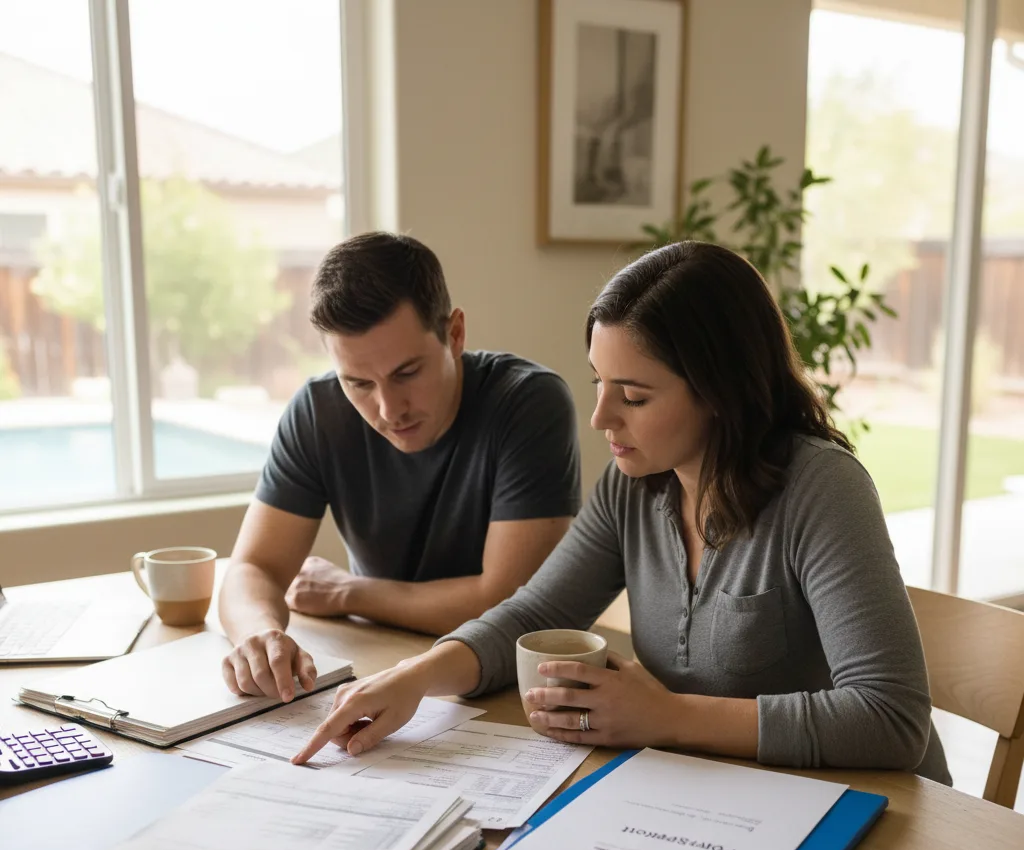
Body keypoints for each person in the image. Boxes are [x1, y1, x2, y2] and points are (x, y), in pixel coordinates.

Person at [291, 240, 951, 786]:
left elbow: (890, 719)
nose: (602, 417)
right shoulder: (637, 484)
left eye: (633, 395)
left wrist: (666, 717)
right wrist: (414, 679)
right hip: (724, 794)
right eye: (599, 384)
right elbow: (536, 612)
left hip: (876, 817)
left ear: (719, 391)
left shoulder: (822, 490)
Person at [219, 232, 581, 700]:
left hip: (502, 681)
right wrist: (259, 634)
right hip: (379, 659)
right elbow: (254, 567)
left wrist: (351, 592)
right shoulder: (318, 411)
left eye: (406, 373)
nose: (389, 409)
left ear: (454, 335)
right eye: (358, 383)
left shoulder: (528, 402)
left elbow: (507, 602)